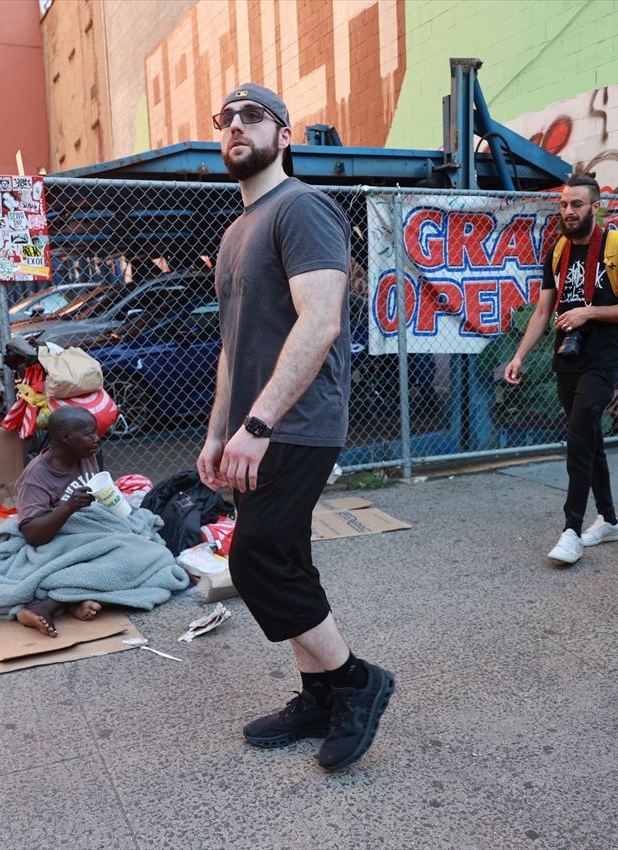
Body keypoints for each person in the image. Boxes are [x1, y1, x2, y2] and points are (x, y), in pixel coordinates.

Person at [196, 83, 394, 771]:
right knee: (286, 559)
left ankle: (355, 683)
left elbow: (321, 323)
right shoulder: (232, 234)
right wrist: (220, 432)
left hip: (298, 422)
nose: (236, 127)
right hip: (255, 427)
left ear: (285, 136)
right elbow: (232, 345)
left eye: (254, 117)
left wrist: (259, 421)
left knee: (254, 559)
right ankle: (316, 696)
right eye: (226, 119)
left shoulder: (303, 208)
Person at [503, 174, 618, 566]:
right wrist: (518, 356)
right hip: (567, 358)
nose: (568, 211)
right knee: (589, 437)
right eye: (564, 205)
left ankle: (571, 529)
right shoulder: (558, 251)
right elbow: (542, 311)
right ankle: (611, 521)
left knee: (580, 430)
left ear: (595, 207)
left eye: (577, 205)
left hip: (602, 358)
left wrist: (589, 312)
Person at [12, 405, 105, 636]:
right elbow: (32, 534)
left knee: (148, 546)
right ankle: (46, 606)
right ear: (65, 438)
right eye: (89, 434)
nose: (96, 439)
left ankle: (71, 601)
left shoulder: (89, 452)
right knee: (132, 558)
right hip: (55, 541)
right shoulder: (36, 477)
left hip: (91, 530)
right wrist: (68, 507)